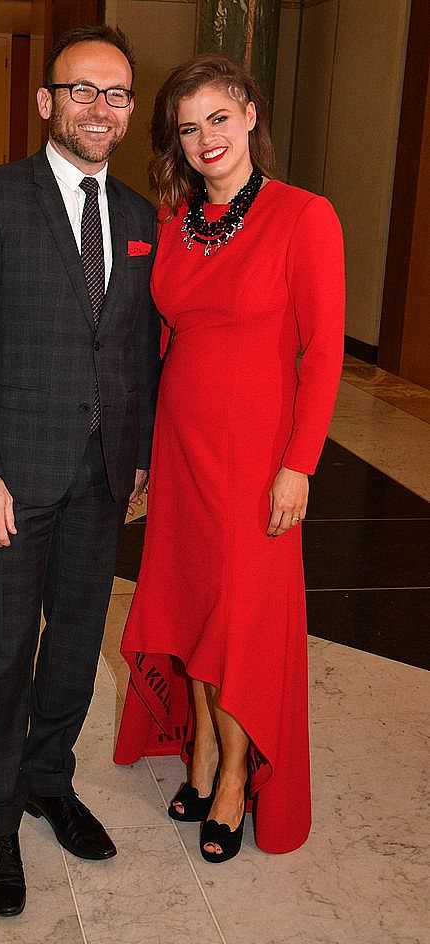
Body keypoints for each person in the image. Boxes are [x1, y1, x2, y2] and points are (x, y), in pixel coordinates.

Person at [0, 25, 160, 916]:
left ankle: (47, 782)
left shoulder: (140, 217)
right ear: (46, 101)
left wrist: (135, 455)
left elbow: (137, 347)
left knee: (71, 645)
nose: (100, 109)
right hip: (12, 474)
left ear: (130, 110)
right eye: (82, 90)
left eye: (116, 95)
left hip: (103, 475)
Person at [114, 53, 345, 863]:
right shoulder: (174, 227)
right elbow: (166, 342)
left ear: (249, 113)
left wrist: (299, 464)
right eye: (188, 127)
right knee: (194, 608)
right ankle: (206, 746)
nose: (205, 138)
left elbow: (322, 355)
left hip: (257, 458)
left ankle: (239, 775)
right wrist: (143, 452)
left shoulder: (303, 216)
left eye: (218, 117)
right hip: (182, 452)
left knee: (244, 619)